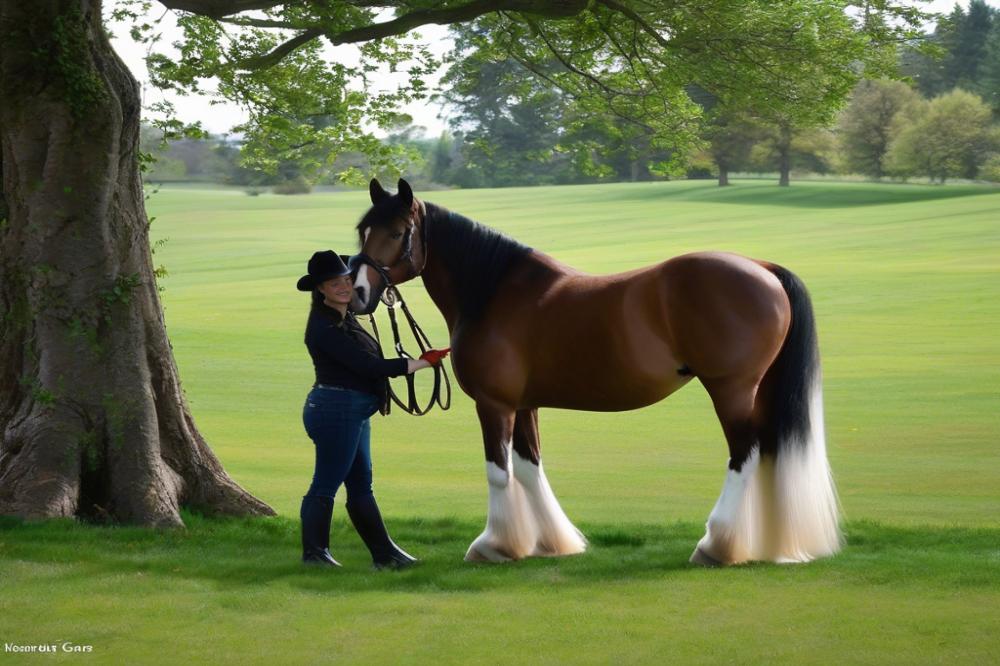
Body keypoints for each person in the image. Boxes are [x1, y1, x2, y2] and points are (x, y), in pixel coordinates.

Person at [295, 250, 449, 569]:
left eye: (346, 280)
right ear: (320, 288)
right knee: (326, 483)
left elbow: (371, 288)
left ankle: (384, 554)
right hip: (335, 410)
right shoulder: (324, 328)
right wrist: (422, 362)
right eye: (334, 282)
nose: (343, 286)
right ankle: (314, 555)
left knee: (361, 484)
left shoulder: (344, 318)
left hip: (351, 411)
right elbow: (368, 366)